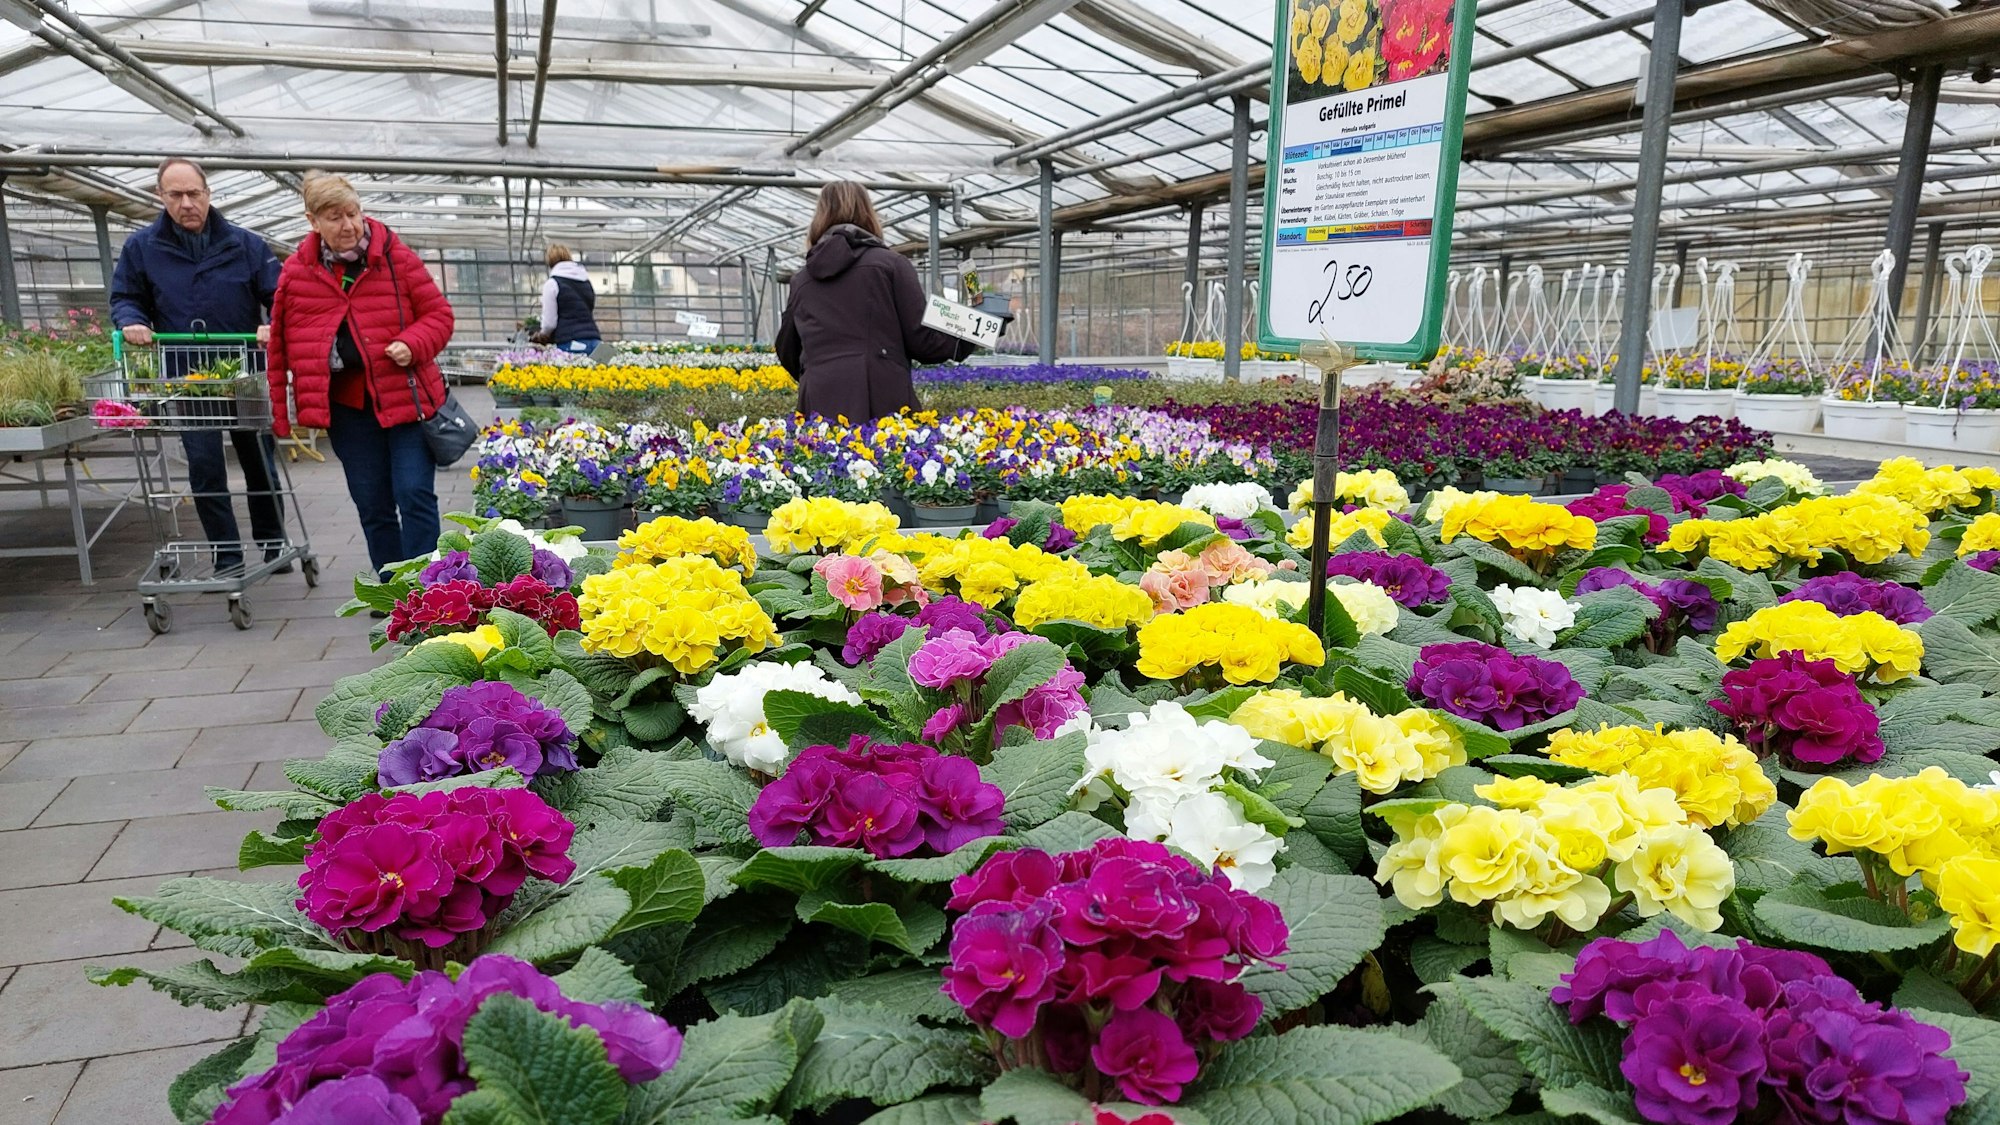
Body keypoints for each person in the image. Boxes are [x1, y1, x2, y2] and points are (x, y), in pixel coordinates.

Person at [267, 172, 454, 578]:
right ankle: (390, 590)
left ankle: (427, 590)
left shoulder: (395, 257)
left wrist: (413, 342)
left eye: (353, 213)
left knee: (414, 494)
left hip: (406, 400)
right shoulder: (298, 272)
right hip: (348, 409)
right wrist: (281, 415)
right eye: (335, 217)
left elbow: (439, 315)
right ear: (313, 221)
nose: (349, 225)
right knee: (372, 503)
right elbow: (279, 344)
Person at [110, 157, 288, 576]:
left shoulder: (245, 245)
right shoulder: (142, 248)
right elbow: (125, 296)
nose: (186, 203)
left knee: (259, 461)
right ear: (160, 196)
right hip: (187, 377)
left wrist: (273, 323)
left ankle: (273, 543)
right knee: (205, 466)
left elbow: (280, 295)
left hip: (243, 372)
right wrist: (132, 321)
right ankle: (227, 556)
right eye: (176, 195)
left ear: (208, 193)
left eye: (194, 193)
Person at [776, 182, 974, 422]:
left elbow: (787, 349)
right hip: (881, 398)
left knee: (823, 447)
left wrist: (817, 370)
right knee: (879, 447)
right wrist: (975, 328)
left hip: (818, 403)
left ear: (820, 216)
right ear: (868, 212)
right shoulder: (891, 265)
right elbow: (924, 341)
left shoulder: (802, 280)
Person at [537, 244, 602, 354]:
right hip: (595, 341)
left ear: (550, 262)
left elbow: (549, 323)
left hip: (569, 342)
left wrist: (542, 335)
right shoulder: (586, 281)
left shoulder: (552, 284)